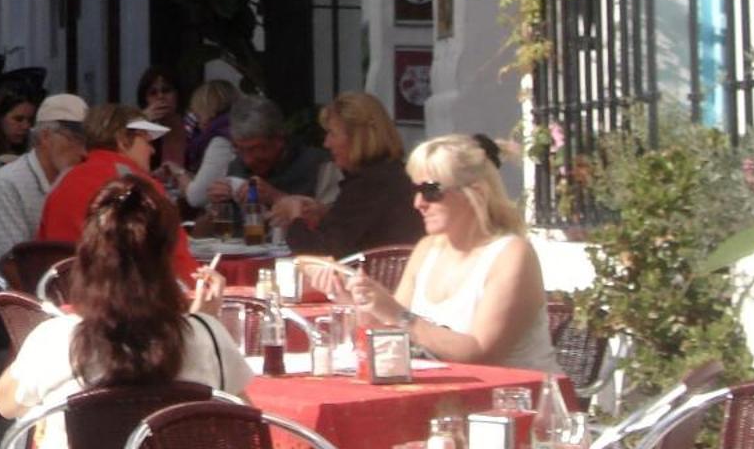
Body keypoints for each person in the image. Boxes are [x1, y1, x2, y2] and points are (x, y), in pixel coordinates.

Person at [0, 176, 249, 449]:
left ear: (87, 259)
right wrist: (202, 321)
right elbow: (243, 424)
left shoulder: (59, 339)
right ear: (166, 260)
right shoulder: (207, 335)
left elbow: (4, 404)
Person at [345, 133, 559, 374]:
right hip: (447, 398)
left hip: (518, 401)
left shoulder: (511, 255)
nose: (418, 203)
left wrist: (397, 315)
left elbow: (482, 353)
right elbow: (396, 335)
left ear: (474, 194)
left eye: (430, 191)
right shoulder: (428, 249)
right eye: (414, 190)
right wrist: (358, 303)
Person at [37, 105, 199, 282]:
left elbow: (41, 248)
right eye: (146, 141)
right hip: (119, 301)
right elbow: (178, 260)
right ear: (122, 140)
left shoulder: (62, 181)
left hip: (61, 298)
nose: (152, 150)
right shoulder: (139, 186)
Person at [272, 91, 424, 257]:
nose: (326, 143)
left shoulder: (369, 184)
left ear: (357, 138)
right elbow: (362, 227)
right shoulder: (394, 173)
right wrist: (325, 214)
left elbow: (321, 252)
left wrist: (295, 216)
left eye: (332, 134)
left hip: (373, 279)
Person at [0, 93, 89, 282]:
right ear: (45, 137)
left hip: (46, 281)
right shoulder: (6, 184)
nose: (84, 151)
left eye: (87, 142)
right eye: (75, 139)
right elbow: (13, 264)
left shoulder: (71, 178)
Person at [206, 96, 338, 220]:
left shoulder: (319, 165)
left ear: (279, 139)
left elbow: (334, 227)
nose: (248, 160)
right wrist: (216, 209)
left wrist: (275, 197)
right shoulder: (237, 167)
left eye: (256, 149)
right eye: (240, 149)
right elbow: (199, 235)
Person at [177, 79, 241, 209]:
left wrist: (178, 173)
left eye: (197, 113)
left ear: (207, 110)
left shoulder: (221, 141)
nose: (196, 119)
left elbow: (196, 197)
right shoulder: (234, 129)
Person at [134, 66, 191, 177]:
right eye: (153, 93)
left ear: (178, 94)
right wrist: (142, 120)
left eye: (166, 90)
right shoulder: (143, 133)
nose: (160, 97)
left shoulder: (195, 128)